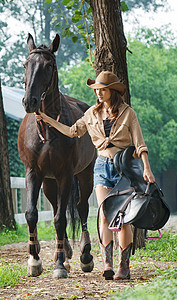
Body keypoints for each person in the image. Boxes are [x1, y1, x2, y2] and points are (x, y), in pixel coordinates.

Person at [36, 70, 155, 280]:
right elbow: (73, 131)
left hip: (124, 168)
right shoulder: (91, 113)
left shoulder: (128, 113)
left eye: (102, 90)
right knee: (105, 214)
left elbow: (140, 144)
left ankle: (123, 265)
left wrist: (146, 168)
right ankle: (107, 263)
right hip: (101, 166)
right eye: (96, 90)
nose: (98, 93)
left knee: (124, 219)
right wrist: (47, 119)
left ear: (112, 91)